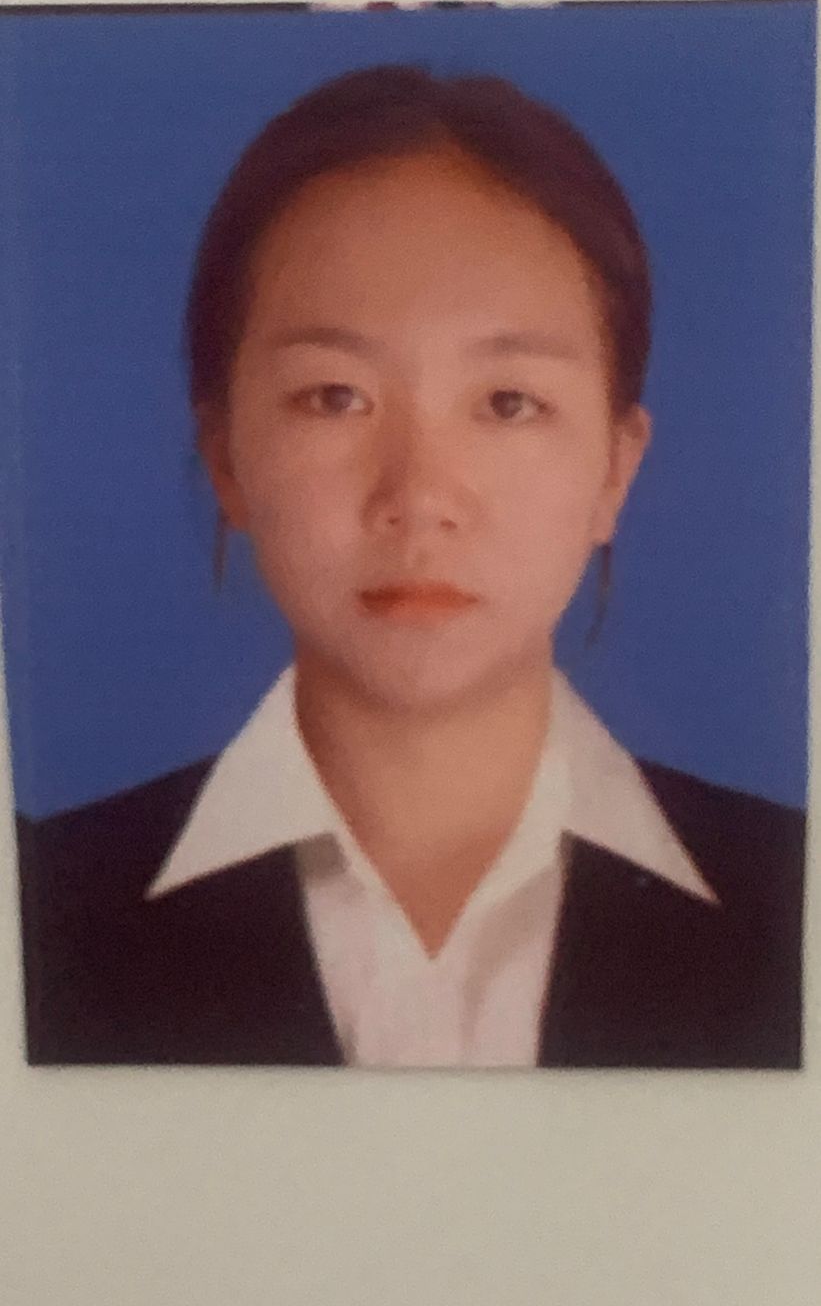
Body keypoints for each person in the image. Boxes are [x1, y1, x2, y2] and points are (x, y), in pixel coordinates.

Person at [15, 64, 804, 1068]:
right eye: (334, 396)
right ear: (226, 460)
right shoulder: (37, 911)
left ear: (614, 468)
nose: (420, 494)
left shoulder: (794, 902)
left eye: (507, 402)